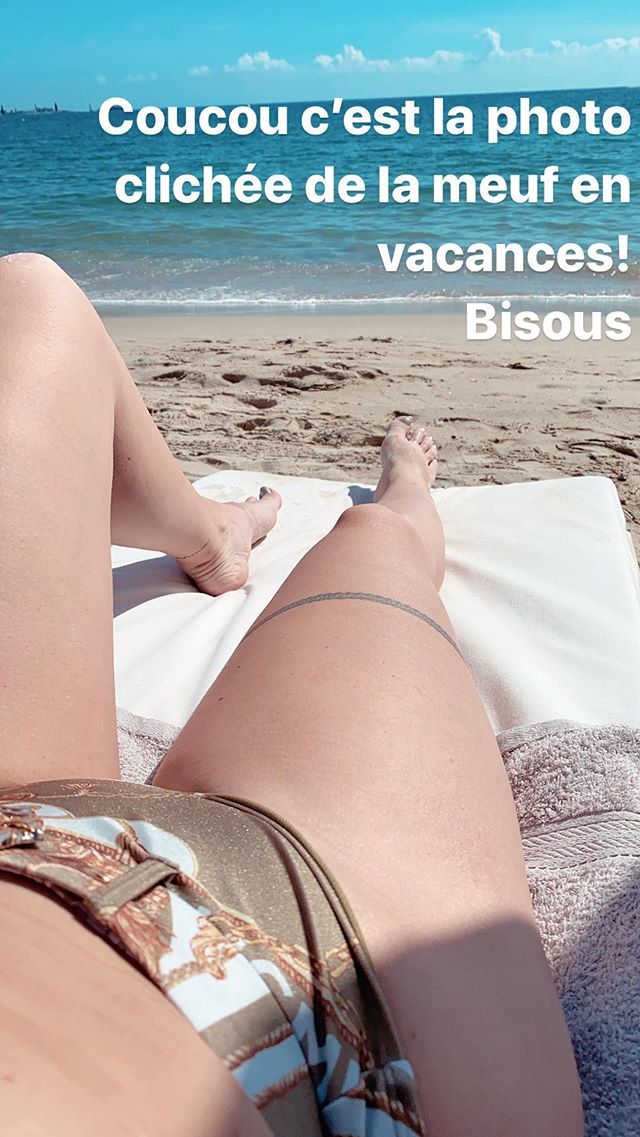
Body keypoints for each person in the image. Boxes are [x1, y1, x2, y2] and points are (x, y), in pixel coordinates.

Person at [0, 253, 584, 1137]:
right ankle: (401, 494)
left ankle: (211, 531)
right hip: (319, 1002)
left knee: (32, 298)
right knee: (376, 539)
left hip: (26, 834)